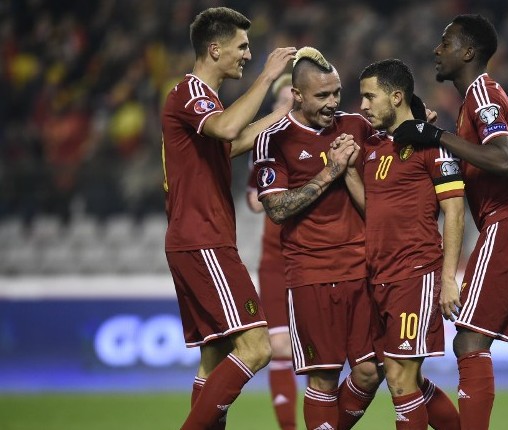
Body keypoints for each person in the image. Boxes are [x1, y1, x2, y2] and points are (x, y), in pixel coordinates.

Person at [393, 14, 508, 429]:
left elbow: (502, 160)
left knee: (470, 340)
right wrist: (439, 137)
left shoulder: (482, 94)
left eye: (445, 42)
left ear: (468, 52)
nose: (437, 50)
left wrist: (437, 138)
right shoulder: (480, 98)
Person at [160, 6, 295, 429]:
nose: (248, 54)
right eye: (241, 46)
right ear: (214, 49)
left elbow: (229, 145)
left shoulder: (205, 102)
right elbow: (226, 130)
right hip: (204, 240)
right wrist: (269, 77)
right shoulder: (192, 93)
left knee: (214, 359)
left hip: (198, 238)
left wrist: (282, 116)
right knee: (257, 347)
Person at [253, 46, 382, 430]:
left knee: (370, 373)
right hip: (310, 273)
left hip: (362, 269)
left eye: (336, 93)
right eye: (322, 95)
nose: (333, 103)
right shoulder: (273, 140)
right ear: (297, 94)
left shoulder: (357, 126)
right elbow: (277, 209)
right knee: (324, 379)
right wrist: (331, 171)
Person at [345, 58, 463, 429]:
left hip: (416, 274)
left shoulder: (431, 144)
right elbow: (375, 209)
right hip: (378, 276)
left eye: (369, 96)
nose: (362, 105)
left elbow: (455, 212)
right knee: (402, 379)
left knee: (399, 379)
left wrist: (447, 279)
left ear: (396, 97)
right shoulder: (375, 148)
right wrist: (348, 172)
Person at [246, 73, 298, 430]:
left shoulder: (329, 139)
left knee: (323, 353)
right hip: (276, 257)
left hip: (318, 254)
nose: (287, 107)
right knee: (279, 346)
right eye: (281, 101)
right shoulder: (265, 144)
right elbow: (253, 200)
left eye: (292, 100)